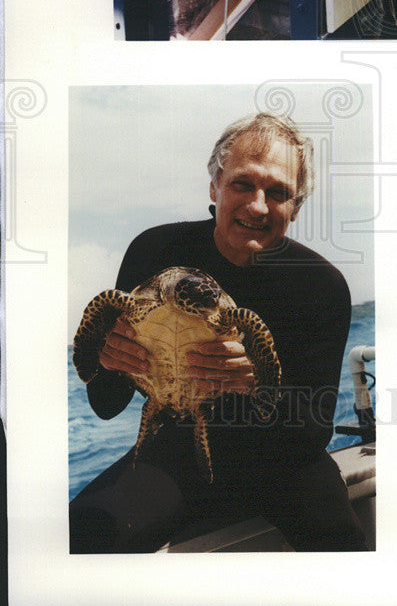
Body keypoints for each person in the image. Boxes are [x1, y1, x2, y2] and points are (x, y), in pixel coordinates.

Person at [70, 113, 367, 553]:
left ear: (296, 208)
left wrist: (254, 384)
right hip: (180, 449)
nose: (258, 205)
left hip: (285, 462)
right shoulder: (155, 251)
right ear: (215, 186)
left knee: (346, 553)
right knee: (82, 534)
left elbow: (312, 432)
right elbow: (106, 404)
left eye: (278, 192)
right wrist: (109, 360)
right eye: (242, 184)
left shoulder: (320, 285)